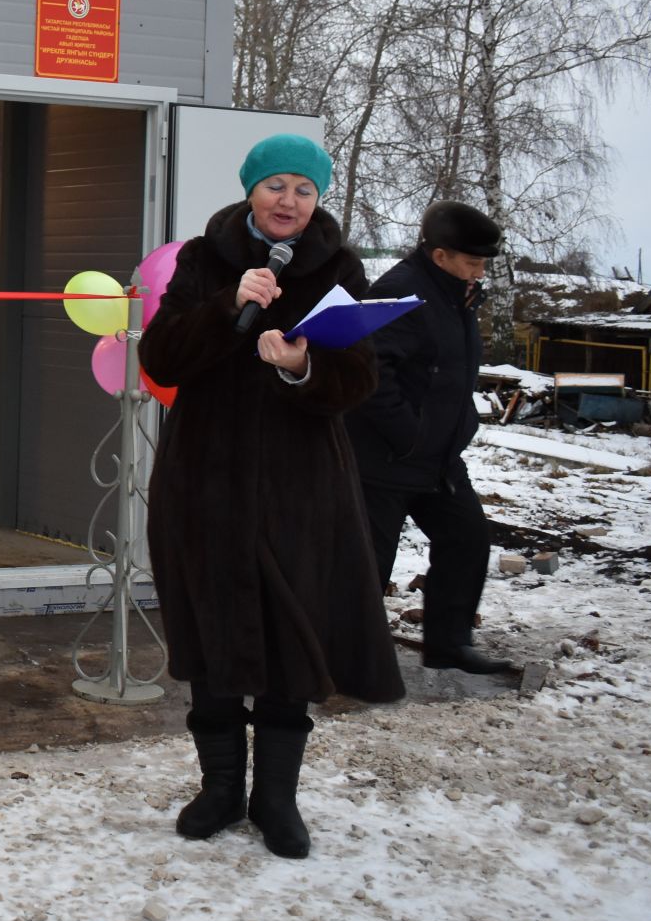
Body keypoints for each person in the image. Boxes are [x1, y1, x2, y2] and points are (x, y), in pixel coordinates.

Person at [140, 133, 405, 860]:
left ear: (319, 200)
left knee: (295, 630)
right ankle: (220, 788)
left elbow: (359, 382)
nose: (289, 201)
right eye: (277, 185)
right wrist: (229, 306)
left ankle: (276, 798)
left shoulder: (341, 268)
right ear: (251, 189)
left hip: (302, 486)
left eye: (305, 190)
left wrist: (300, 366)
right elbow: (160, 358)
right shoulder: (203, 259)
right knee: (213, 629)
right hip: (206, 479)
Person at [346, 200, 512, 676]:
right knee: (368, 563)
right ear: (440, 255)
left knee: (466, 538)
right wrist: (409, 434)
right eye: (472, 262)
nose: (480, 272)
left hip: (438, 458)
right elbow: (371, 373)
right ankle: (350, 658)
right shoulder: (400, 292)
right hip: (385, 456)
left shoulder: (458, 294)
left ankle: (449, 642)